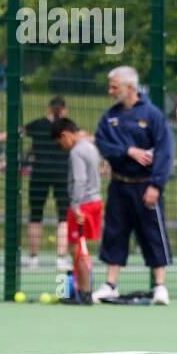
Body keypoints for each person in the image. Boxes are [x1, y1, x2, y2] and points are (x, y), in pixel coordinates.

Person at [93, 66, 175, 305]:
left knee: (152, 235)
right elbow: (103, 144)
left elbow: (165, 152)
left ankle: (160, 287)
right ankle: (110, 285)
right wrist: (128, 151)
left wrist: (156, 185)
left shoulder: (152, 115)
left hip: (146, 187)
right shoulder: (110, 117)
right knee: (114, 234)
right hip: (119, 186)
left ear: (130, 87)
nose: (110, 91)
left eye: (114, 87)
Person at [53, 118, 103, 303]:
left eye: (61, 143)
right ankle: (82, 290)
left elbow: (80, 180)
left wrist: (75, 205)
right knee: (81, 247)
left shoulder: (76, 152)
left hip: (83, 204)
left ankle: (84, 292)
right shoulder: (90, 147)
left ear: (65, 135)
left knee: (77, 247)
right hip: (95, 201)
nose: (62, 147)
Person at [23, 96, 72, 270]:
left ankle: (33, 258)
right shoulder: (68, 125)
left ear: (48, 108)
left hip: (40, 173)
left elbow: (15, 132)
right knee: (63, 217)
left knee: (36, 215)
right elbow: (84, 137)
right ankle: (60, 258)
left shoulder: (37, 124)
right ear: (63, 109)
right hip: (61, 173)